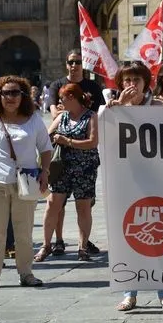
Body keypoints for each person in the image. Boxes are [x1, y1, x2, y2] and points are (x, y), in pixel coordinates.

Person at [0, 76, 52, 290]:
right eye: (6, 93)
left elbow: (46, 149)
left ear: (23, 96)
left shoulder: (33, 120)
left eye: (16, 93)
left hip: (26, 183)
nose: (11, 97)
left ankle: (26, 273)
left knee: (24, 232)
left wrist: (45, 172)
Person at [108, 62, 163, 313]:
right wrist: (123, 109)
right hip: (126, 181)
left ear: (145, 83)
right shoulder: (110, 109)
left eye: (136, 80)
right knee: (131, 236)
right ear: (120, 84)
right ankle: (130, 293)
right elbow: (106, 142)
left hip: (158, 180)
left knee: (161, 237)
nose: (131, 84)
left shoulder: (159, 107)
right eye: (127, 80)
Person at [47, 50, 105, 257]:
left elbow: (97, 114)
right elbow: (55, 113)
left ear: (84, 65)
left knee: (85, 203)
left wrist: (72, 113)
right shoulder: (56, 85)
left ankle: (84, 242)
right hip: (62, 158)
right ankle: (59, 240)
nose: (75, 65)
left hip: (85, 160)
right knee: (58, 202)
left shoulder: (93, 87)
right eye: (71, 61)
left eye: (79, 62)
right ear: (66, 64)